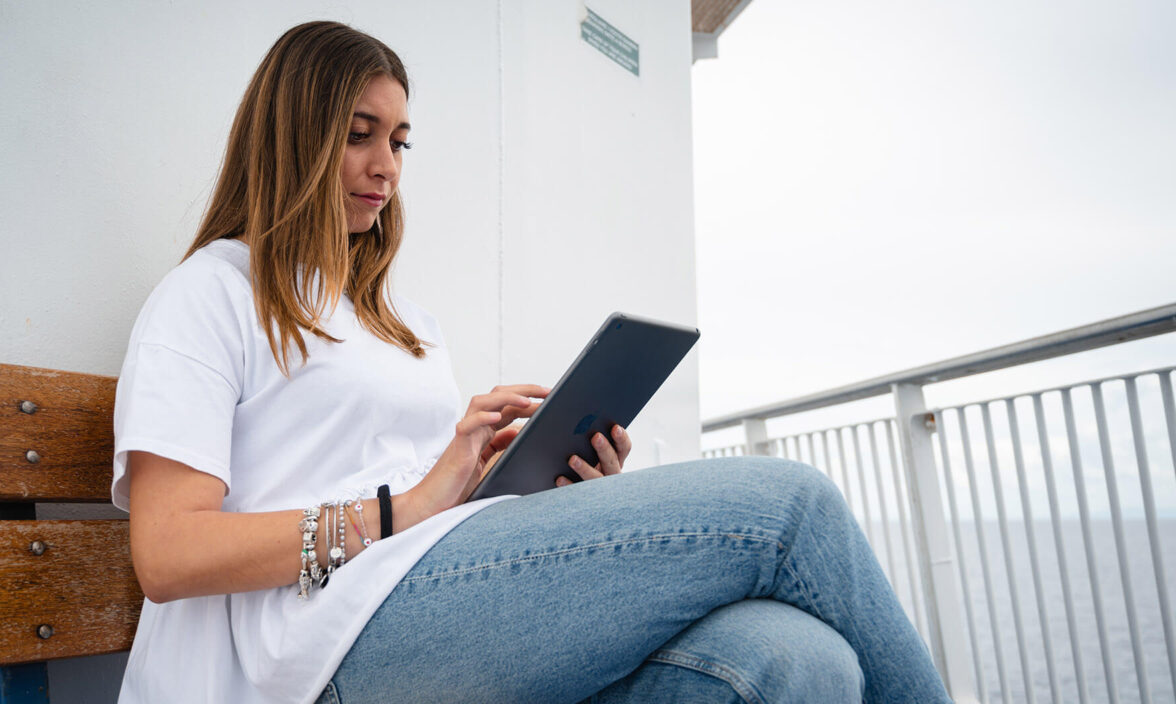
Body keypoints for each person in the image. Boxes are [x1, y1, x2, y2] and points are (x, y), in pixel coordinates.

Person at [112, 20, 952, 704]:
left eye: (401, 142)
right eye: (358, 136)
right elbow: (168, 555)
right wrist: (405, 508)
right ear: (293, 136)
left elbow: (427, 499)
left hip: (441, 586)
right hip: (330, 639)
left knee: (798, 659)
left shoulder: (401, 322)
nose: (386, 168)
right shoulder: (210, 295)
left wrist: (523, 479)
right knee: (790, 506)